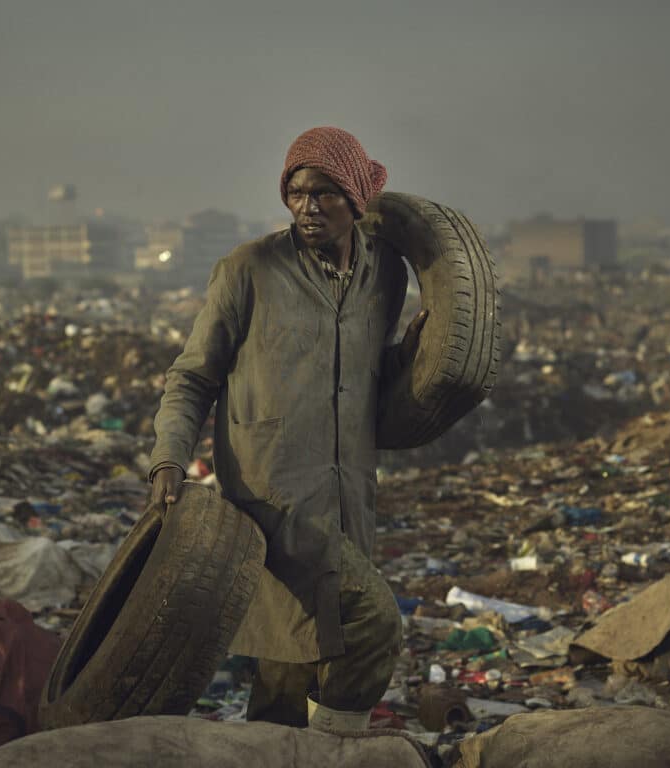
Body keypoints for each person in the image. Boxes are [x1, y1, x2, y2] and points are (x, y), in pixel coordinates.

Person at [147, 126, 427, 731]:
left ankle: (286, 750)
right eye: (296, 193)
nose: (307, 207)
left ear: (355, 198)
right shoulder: (250, 270)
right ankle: (332, 749)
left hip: (348, 498)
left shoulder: (385, 277)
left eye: (323, 193)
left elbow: (373, 381)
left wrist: (423, 354)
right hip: (273, 503)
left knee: (295, 670)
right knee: (374, 623)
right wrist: (169, 457)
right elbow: (193, 376)